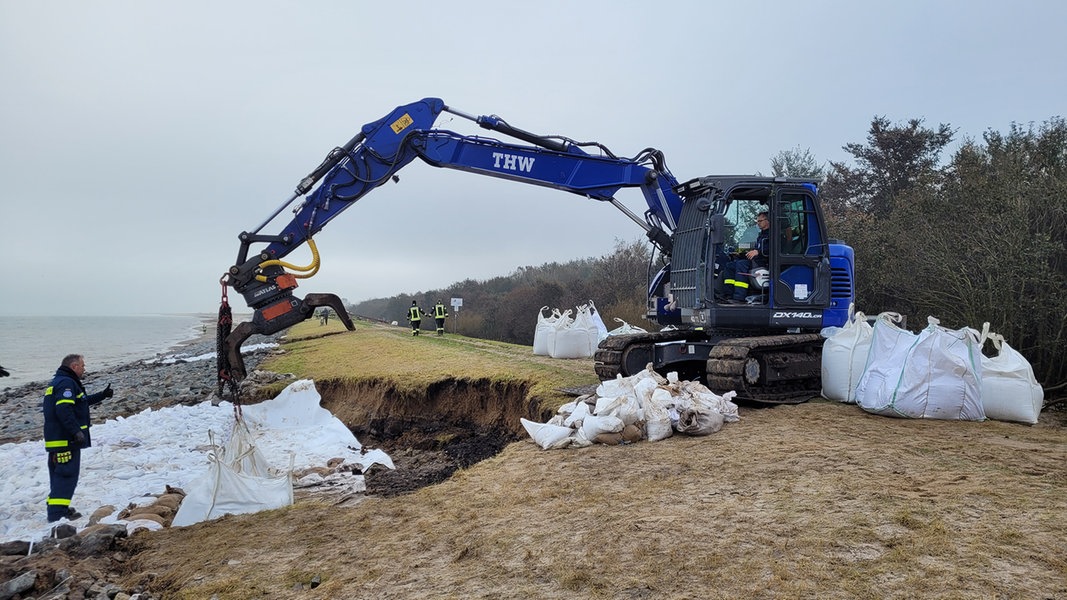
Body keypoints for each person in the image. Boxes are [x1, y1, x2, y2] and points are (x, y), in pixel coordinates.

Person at [42, 354, 114, 522]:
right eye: (82, 366)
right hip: (66, 440)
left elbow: (81, 402)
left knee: (59, 474)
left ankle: (58, 508)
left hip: (58, 440)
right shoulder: (66, 383)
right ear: (74, 366)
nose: (84, 369)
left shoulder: (60, 381)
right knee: (66, 475)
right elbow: (64, 409)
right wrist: (76, 432)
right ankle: (57, 514)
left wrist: (102, 395)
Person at [726, 211, 770, 303]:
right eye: (757, 221)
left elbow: (772, 248)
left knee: (741, 265)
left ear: (767, 221)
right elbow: (755, 248)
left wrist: (758, 252)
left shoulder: (772, 234)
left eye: (760, 221)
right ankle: (728, 294)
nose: (757, 223)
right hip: (756, 260)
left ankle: (739, 297)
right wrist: (741, 254)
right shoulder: (761, 234)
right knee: (730, 266)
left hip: (765, 261)